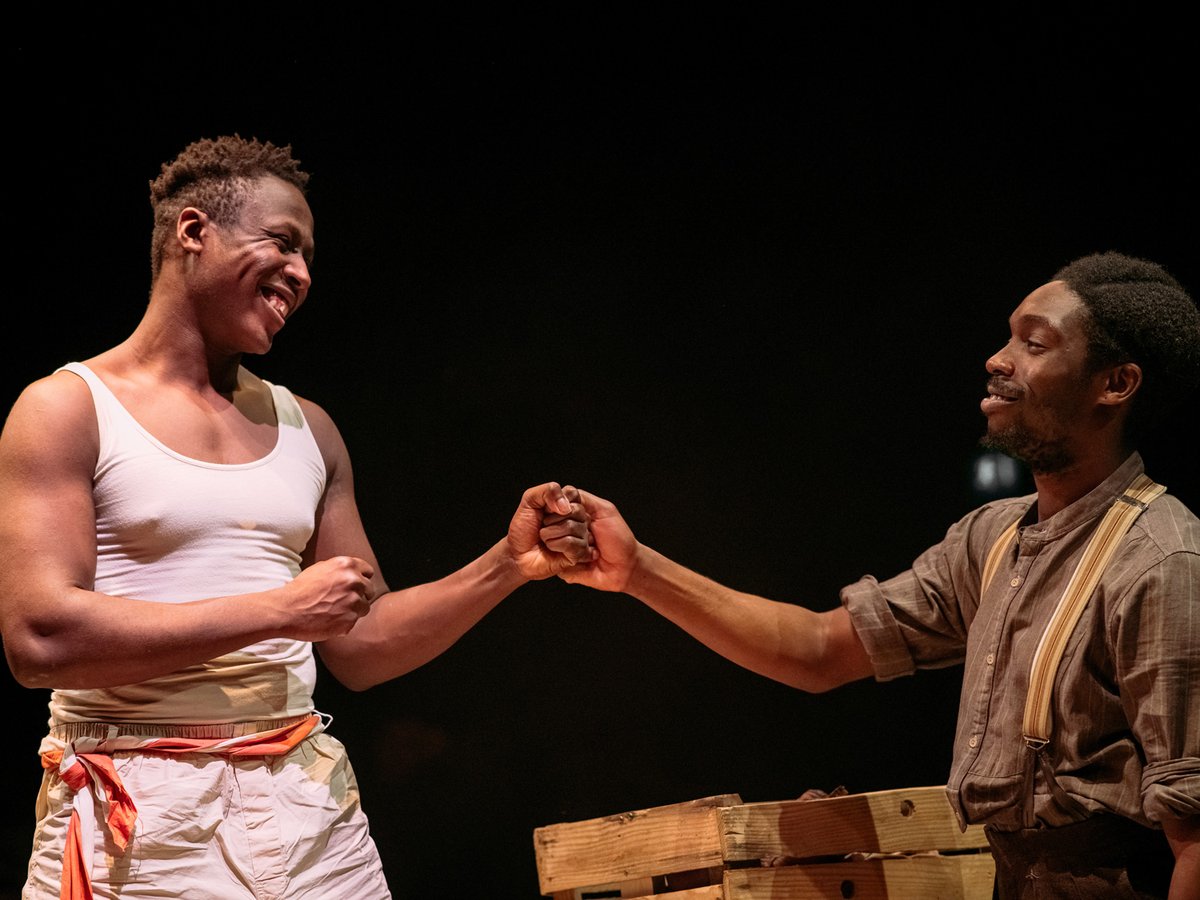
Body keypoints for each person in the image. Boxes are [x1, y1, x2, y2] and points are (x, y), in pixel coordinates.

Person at [0, 135, 591, 900]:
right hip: (142, 812)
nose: (303, 275)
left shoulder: (308, 428)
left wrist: (508, 566)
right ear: (192, 232)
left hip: (307, 804)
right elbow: (40, 638)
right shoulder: (68, 409)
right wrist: (277, 610)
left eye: (309, 257)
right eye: (282, 242)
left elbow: (362, 641)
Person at [559, 252, 1200, 899]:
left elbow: (1196, 841)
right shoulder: (994, 539)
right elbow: (817, 649)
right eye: (1008, 337)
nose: (999, 359)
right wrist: (637, 568)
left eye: (1033, 343)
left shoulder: (1160, 561)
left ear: (1115, 384)